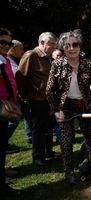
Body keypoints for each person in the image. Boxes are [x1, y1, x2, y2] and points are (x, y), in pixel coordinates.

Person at [46, 30, 91, 184]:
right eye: (67, 45)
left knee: (89, 137)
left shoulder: (87, 64)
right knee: (66, 140)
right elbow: (49, 90)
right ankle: (69, 171)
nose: (71, 48)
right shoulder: (57, 65)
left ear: (80, 46)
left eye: (75, 44)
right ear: (63, 48)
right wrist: (56, 110)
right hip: (66, 106)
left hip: (84, 104)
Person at [15, 32, 58, 168]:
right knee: (39, 129)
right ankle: (38, 157)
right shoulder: (31, 55)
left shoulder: (47, 57)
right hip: (37, 99)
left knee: (48, 127)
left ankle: (48, 152)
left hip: (48, 99)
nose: (54, 46)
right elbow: (20, 78)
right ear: (42, 43)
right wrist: (25, 97)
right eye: (51, 44)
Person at [0, 27, 21, 197]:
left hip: (6, 107)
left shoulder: (5, 59)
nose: (7, 45)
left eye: (9, 42)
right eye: (3, 42)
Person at [51, 48, 63, 143]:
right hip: (51, 96)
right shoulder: (50, 66)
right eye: (57, 55)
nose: (59, 57)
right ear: (52, 56)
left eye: (60, 55)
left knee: (60, 116)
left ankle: (60, 137)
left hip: (61, 96)